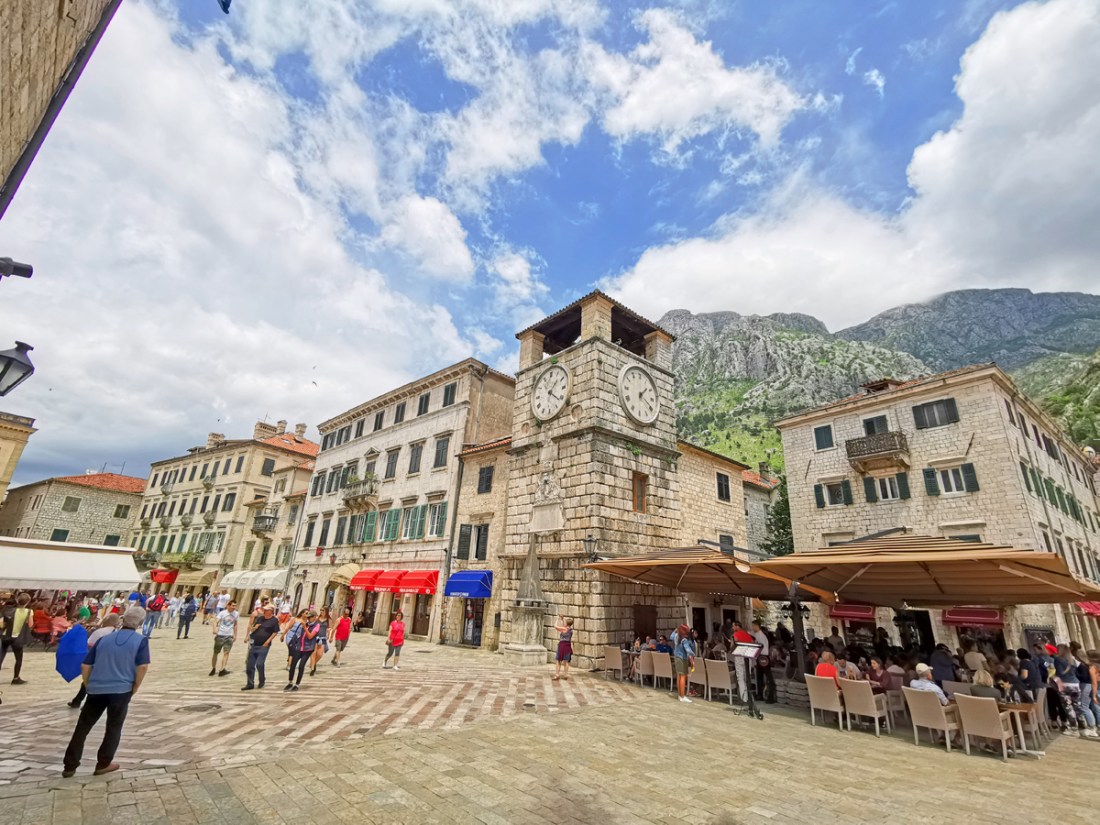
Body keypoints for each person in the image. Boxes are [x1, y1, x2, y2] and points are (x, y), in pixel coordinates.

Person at [61, 607, 150, 777]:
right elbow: (142, 666)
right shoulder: (140, 641)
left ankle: (70, 765)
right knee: (114, 727)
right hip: (121, 690)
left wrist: (88, 685)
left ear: (123, 620)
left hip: (96, 688)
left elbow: (86, 665)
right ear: (141, 623)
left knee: (82, 727)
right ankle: (103, 763)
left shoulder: (104, 639)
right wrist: (136, 686)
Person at [68, 615, 121, 708]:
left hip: (97, 660)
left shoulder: (99, 632)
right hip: (111, 662)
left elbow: (89, 645)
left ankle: (81, 702)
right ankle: (78, 700)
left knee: (88, 681)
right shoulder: (118, 633)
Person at [242, 603, 280, 691]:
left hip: (264, 645)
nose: (264, 611)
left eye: (266, 610)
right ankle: (250, 683)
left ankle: (262, 679)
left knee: (259, 664)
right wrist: (254, 628)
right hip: (254, 643)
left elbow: (275, 632)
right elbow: (252, 629)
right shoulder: (260, 618)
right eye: (264, 609)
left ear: (271, 611)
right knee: (249, 665)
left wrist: (268, 641)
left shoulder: (274, 620)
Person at [0, 593, 33, 685]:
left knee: (1, 655)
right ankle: (16, 677)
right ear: (27, 602)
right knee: (18, 658)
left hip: (6, 635)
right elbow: (30, 624)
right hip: (17, 637)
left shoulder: (9, 610)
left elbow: (2, 624)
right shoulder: (28, 611)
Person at [285, 610, 321, 691]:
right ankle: (290, 682)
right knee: (293, 665)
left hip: (307, 649)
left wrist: (304, 628)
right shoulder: (306, 624)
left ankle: (297, 684)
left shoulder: (317, 626)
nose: (309, 619)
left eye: (310, 617)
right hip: (299, 647)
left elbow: (310, 636)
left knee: (301, 666)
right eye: (308, 618)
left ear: (314, 617)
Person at [210, 600, 239, 677]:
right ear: (228, 606)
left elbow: (235, 624)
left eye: (235, 606)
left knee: (226, 653)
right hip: (220, 635)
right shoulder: (222, 613)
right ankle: (213, 668)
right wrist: (214, 629)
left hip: (229, 636)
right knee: (216, 652)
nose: (234, 607)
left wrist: (235, 635)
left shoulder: (236, 614)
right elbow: (215, 621)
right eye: (232, 605)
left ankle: (222, 669)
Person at [673, 623, 696, 703]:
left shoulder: (676, 636)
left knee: (679, 676)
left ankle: (679, 695)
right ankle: (682, 696)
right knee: (683, 677)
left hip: (676, 657)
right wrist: (694, 655)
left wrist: (675, 630)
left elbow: (671, 636)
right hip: (683, 659)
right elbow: (688, 650)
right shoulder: (684, 640)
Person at [309, 606, 331, 676]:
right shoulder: (317, 618)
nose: (321, 611)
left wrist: (328, 633)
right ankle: (312, 669)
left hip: (323, 638)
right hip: (315, 637)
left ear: (326, 611)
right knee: (313, 653)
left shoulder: (328, 619)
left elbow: (330, 627)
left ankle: (313, 663)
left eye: (323, 610)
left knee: (320, 654)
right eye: (321, 610)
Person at [552, 616, 574, 680]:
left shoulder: (564, 629)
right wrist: (563, 619)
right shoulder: (571, 630)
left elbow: (555, 626)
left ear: (567, 624)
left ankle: (557, 674)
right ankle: (566, 674)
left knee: (558, 660)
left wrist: (557, 619)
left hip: (562, 645)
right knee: (566, 661)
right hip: (568, 645)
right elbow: (565, 625)